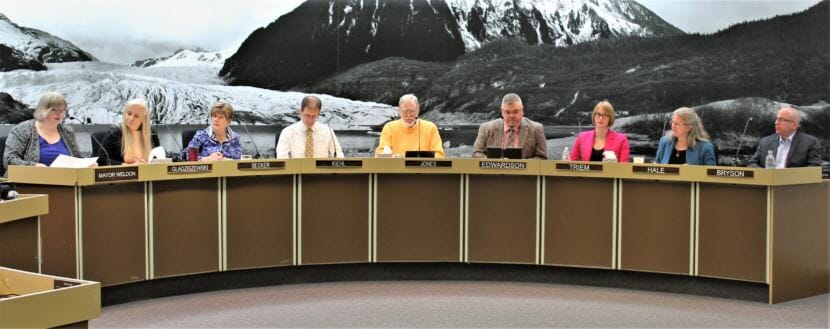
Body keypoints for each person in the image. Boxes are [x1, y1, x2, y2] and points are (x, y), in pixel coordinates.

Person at [3, 91, 82, 168]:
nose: (60, 114)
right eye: (54, 109)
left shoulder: (67, 131)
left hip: (64, 179)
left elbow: (78, 158)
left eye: (63, 110)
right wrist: (33, 166)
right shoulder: (21, 130)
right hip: (30, 179)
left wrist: (88, 165)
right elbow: (9, 159)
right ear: (43, 109)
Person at [472, 93, 547, 159]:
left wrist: (524, 164)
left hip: (523, 174)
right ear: (502, 112)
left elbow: (541, 157)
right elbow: (476, 153)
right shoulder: (485, 128)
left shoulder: (536, 129)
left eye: (515, 112)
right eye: (507, 112)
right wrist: (493, 163)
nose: (511, 116)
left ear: (522, 110)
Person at [746, 107, 822, 168]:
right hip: (767, 184)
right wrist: (766, 175)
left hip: (793, 184)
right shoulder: (765, 142)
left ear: (794, 125)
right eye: (777, 119)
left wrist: (788, 177)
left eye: (781, 120)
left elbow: (815, 167)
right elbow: (751, 164)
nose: (776, 123)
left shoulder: (810, 142)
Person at [374, 94, 445, 158]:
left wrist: (417, 157)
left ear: (417, 111)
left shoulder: (430, 128)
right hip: (397, 171)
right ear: (400, 111)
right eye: (405, 111)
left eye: (412, 111)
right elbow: (379, 154)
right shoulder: (389, 128)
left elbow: (439, 155)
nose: (409, 115)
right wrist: (386, 154)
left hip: (423, 171)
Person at [276, 95, 344, 158]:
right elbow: (282, 159)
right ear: (300, 111)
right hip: (296, 170)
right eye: (307, 115)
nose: (310, 120)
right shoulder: (287, 132)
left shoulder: (328, 131)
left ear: (318, 113)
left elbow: (339, 155)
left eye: (314, 116)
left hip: (321, 171)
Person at [97, 99, 157, 165]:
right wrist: (128, 166)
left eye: (136, 116)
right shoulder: (115, 132)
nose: (131, 118)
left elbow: (157, 158)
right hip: (122, 173)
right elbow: (102, 160)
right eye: (129, 113)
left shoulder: (151, 133)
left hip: (146, 173)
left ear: (144, 119)